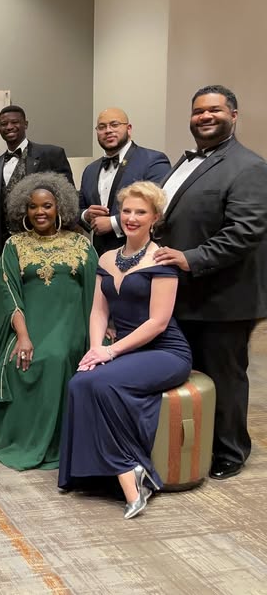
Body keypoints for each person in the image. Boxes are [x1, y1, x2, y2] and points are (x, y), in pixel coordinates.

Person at [59, 182, 191, 519]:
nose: (131, 218)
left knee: (99, 384)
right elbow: (98, 311)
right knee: (79, 382)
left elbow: (158, 323)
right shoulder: (106, 257)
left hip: (165, 352)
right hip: (124, 350)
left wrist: (110, 352)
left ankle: (130, 475)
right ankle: (104, 475)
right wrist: (95, 350)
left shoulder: (162, 258)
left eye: (140, 212)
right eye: (127, 211)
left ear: (155, 218)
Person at [155, 85, 267, 480]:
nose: (205, 116)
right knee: (193, 373)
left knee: (224, 377)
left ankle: (230, 451)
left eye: (214, 110)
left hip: (224, 297)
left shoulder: (249, 167)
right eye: (198, 111)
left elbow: (245, 231)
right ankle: (196, 445)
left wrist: (191, 258)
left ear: (234, 115)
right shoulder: (184, 162)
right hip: (185, 293)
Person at [0, 172, 97, 470]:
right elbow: (9, 293)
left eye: (47, 205)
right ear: (23, 210)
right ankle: (20, 436)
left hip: (71, 323)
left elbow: (94, 291)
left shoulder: (81, 244)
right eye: (33, 206)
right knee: (20, 360)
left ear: (59, 207)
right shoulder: (14, 245)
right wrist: (23, 336)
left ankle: (55, 441)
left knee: (55, 358)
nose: (40, 212)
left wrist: (98, 333)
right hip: (28, 324)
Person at [0, 105, 74, 263]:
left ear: (25, 124)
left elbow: (68, 201)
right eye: (4, 124)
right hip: (5, 248)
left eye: (14, 122)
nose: (9, 127)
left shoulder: (51, 154)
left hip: (45, 244)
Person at [79, 109, 170, 254]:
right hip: (99, 256)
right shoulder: (90, 170)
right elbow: (79, 208)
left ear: (129, 129)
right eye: (102, 127)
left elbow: (160, 207)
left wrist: (113, 223)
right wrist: (86, 215)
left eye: (114, 125)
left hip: (141, 255)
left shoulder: (153, 161)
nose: (108, 130)